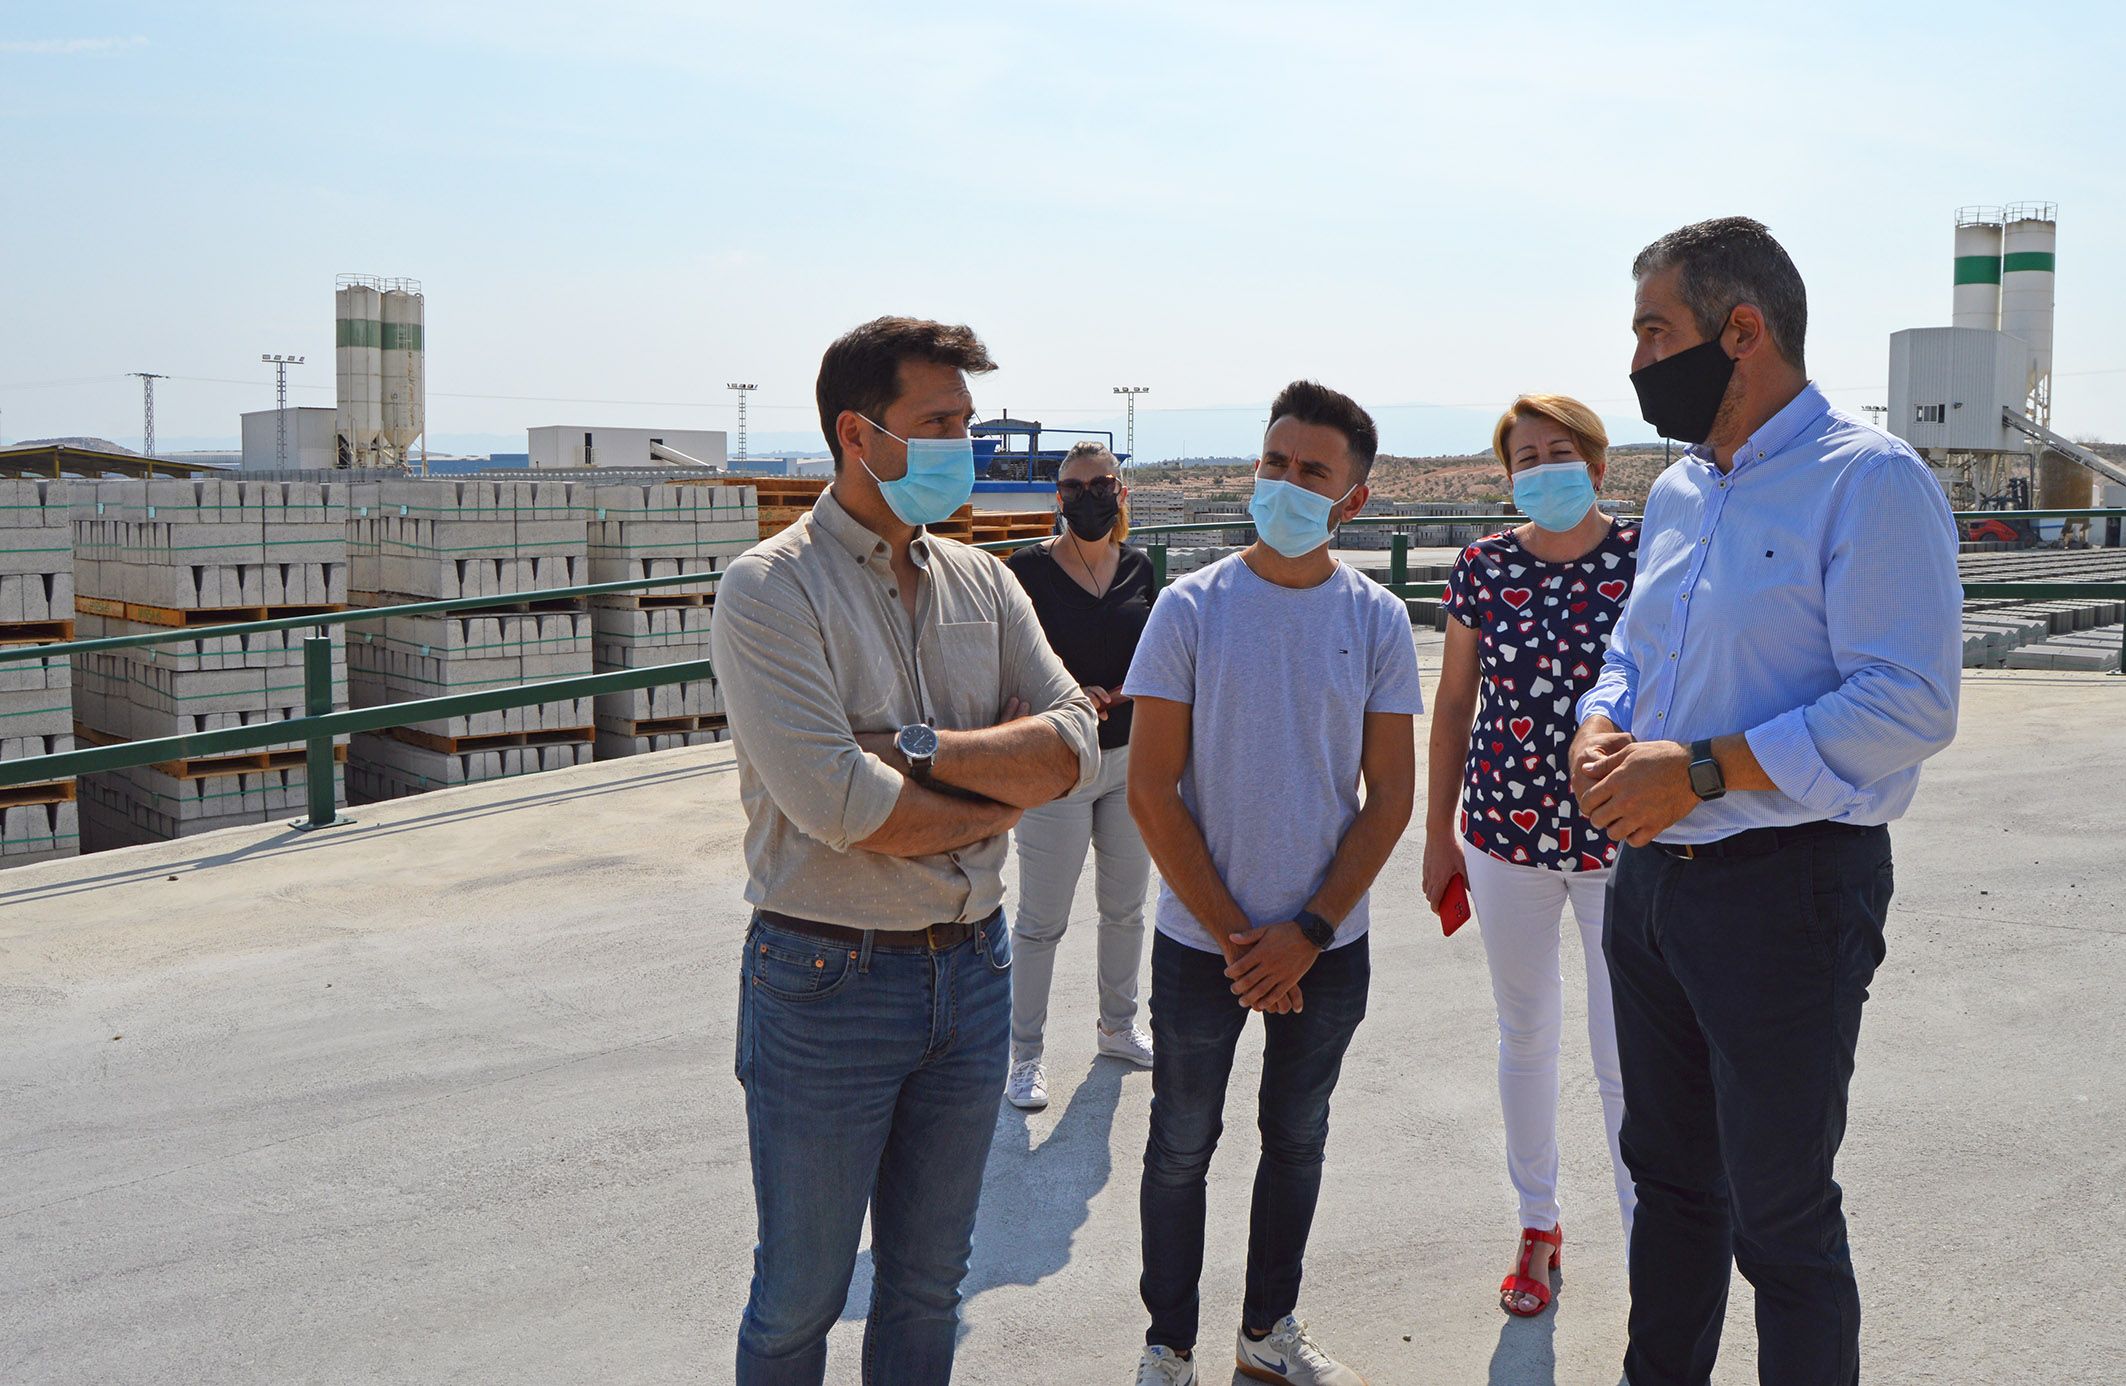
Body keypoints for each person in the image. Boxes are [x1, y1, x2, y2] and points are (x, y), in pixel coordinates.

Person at [1571, 217, 1962, 1386]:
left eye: (1655, 331)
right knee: (1672, 1189)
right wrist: (1602, 720)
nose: (1636, 361)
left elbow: (1908, 703)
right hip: (1652, 889)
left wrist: (1697, 768)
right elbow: (1634, 653)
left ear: (1741, 331)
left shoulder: (1868, 480)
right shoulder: (1685, 490)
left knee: (1779, 1216)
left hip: (1785, 893)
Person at [711, 315, 1101, 1385]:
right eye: (937, 422)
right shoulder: (770, 590)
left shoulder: (985, 582)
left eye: (965, 423)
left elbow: (1074, 742)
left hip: (972, 977)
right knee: (801, 1293)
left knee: (931, 1282)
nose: (960, 447)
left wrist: (917, 752)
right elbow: (841, 804)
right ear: (857, 433)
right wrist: (999, 795)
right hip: (826, 979)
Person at [1124, 381, 1421, 1386]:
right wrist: (1245, 944)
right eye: (1273, 464)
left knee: (1295, 1143)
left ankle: (1265, 1333)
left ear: (1353, 500)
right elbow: (1150, 790)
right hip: (1203, 945)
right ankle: (1168, 1345)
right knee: (1178, 1146)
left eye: (1310, 473)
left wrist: (1306, 930)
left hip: (1324, 949)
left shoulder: (1375, 621)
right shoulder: (1188, 609)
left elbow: (1388, 799)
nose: (1284, 485)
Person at [1424, 393, 1640, 1319]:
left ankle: (1650, 1239)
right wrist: (1438, 833)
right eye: (1524, 456)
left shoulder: (1645, 559)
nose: (1540, 467)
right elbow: (1455, 705)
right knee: (1526, 1034)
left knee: (1626, 1050)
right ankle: (1538, 1221)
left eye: (1558, 451)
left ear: (1597, 464)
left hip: (1624, 838)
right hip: (1503, 838)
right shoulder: (1482, 567)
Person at [1003, 440, 1158, 1110]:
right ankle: (1024, 1057)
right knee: (1041, 919)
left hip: (1131, 761)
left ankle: (1118, 1027)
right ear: (1056, 495)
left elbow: (1162, 655)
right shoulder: (1025, 571)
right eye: (1075, 485)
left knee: (1125, 910)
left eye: (1102, 484)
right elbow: (1009, 668)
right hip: (1057, 764)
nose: (1088, 496)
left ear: (1120, 492)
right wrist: (1063, 699)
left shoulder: (1143, 567)